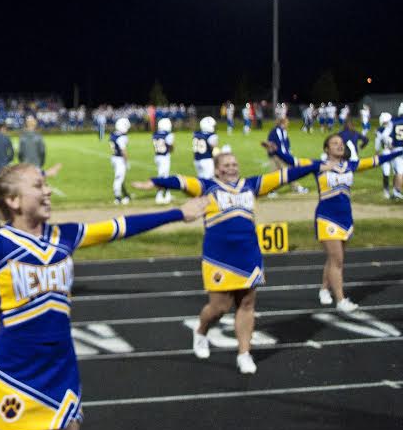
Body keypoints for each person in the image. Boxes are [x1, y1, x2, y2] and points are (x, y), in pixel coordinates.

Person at [0, 163, 208, 430]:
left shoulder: (64, 236)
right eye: (39, 185)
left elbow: (120, 227)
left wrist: (178, 213)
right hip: (15, 378)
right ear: (13, 200)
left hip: (62, 377)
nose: (48, 190)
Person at [133, 152, 326, 373]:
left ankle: (244, 354)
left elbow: (284, 175)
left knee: (247, 304)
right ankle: (201, 331)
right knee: (219, 307)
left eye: (235, 163)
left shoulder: (251, 185)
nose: (232, 167)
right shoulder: (206, 187)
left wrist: (315, 166)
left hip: (248, 254)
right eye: (227, 164)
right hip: (219, 256)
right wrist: (156, 182)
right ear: (217, 170)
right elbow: (180, 181)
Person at [271, 135, 402, 311]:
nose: (339, 146)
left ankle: (324, 289)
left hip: (346, 218)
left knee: (335, 259)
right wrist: (275, 150)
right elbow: (293, 160)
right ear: (326, 149)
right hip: (326, 218)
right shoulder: (319, 165)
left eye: (341, 143)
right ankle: (341, 300)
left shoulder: (350, 165)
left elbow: (376, 160)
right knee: (337, 260)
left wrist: (400, 151)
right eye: (335, 143)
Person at [262, 116, 308, 195]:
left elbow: (287, 144)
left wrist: (288, 153)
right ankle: (296, 188)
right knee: (286, 173)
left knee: (280, 173)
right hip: (276, 156)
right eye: (286, 123)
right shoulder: (274, 132)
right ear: (282, 123)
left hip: (284, 156)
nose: (287, 124)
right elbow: (270, 144)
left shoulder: (284, 132)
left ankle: (272, 190)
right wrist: (272, 154)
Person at [152, 117, 175, 204]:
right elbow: (171, 148)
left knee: (165, 176)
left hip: (157, 156)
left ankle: (167, 194)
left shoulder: (155, 134)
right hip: (164, 157)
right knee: (162, 177)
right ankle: (159, 195)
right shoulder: (168, 135)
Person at [110, 117, 131, 204]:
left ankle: (126, 195)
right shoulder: (122, 137)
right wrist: (126, 161)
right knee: (119, 178)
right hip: (119, 159)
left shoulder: (113, 135)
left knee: (120, 178)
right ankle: (117, 198)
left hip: (114, 158)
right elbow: (123, 151)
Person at [376, 112, 395, 199]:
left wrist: (377, 152)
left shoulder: (380, 130)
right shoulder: (395, 127)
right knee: (397, 172)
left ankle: (386, 191)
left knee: (386, 173)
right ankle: (395, 191)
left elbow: (378, 143)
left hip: (386, 152)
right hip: (395, 152)